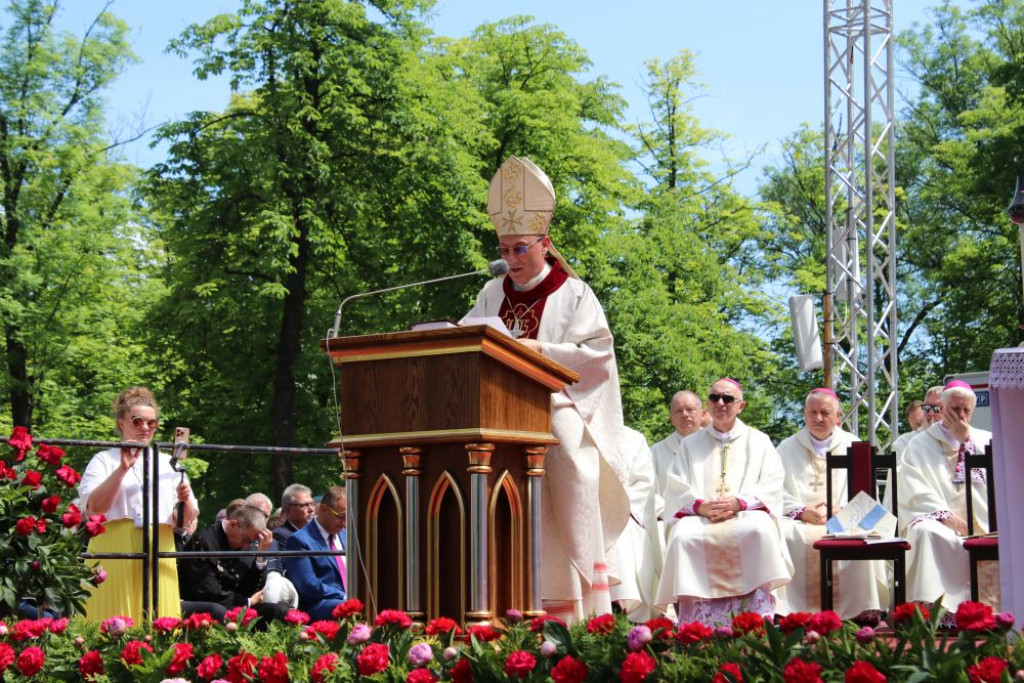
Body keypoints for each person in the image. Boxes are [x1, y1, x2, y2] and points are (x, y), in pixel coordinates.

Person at [462, 155, 630, 623]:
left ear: (545, 243)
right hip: (492, 410)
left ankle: (568, 600)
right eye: (505, 249)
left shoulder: (574, 294)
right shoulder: (491, 294)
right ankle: (486, 596)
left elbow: (597, 358)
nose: (512, 259)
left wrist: (535, 349)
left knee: (565, 448)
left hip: (555, 404)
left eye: (520, 248)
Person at [656, 378, 791, 625]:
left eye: (728, 399)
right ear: (708, 404)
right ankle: (697, 621)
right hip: (701, 515)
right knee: (682, 537)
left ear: (741, 406)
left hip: (746, 512)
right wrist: (699, 505)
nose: (721, 403)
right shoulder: (690, 444)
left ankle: (754, 617)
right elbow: (675, 486)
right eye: (714, 397)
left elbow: (773, 482)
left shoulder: (759, 440)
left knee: (760, 531)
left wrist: (740, 503)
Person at [78, 387, 199, 622]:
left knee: (158, 616)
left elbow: (183, 522)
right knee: (113, 615)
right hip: (115, 543)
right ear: (122, 423)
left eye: (151, 423)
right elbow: (94, 509)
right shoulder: (103, 459)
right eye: (138, 421)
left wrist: (183, 502)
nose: (145, 427)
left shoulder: (169, 464)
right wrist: (122, 470)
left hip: (160, 545)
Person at [776, 388, 888, 618]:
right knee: (781, 533)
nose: (817, 418)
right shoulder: (786, 448)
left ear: (838, 417)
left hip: (845, 518)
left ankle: (859, 610)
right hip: (801, 521)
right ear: (805, 415)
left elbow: (868, 497)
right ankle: (792, 612)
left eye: (824, 413)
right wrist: (801, 511)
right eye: (812, 412)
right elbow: (776, 491)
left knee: (868, 531)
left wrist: (843, 510)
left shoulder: (854, 444)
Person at [898, 380, 999, 612]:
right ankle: (939, 611)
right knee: (925, 532)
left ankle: (992, 609)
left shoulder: (986, 439)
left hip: (985, 521)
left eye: (966, 410)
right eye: (955, 409)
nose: (961, 415)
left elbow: (996, 480)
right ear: (942, 409)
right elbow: (914, 488)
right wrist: (944, 516)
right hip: (940, 523)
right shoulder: (919, 444)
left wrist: (967, 442)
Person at [179, 505, 288, 625]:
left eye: (253, 542)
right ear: (233, 524)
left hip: (237, 604)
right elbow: (206, 591)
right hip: (212, 604)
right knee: (218, 611)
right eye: (246, 539)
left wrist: (261, 554)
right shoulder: (202, 541)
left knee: (276, 611)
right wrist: (247, 601)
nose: (247, 546)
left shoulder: (250, 546)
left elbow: (254, 588)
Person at [609, 426, 665, 622]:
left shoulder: (633, 438)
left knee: (619, 534)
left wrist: (616, 505)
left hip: (625, 511)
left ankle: (622, 605)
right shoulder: (575, 427)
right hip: (582, 512)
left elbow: (644, 482)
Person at [284, 486, 349, 620]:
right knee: (350, 608)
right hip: (319, 604)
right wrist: (344, 596)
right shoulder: (299, 540)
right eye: (341, 516)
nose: (344, 523)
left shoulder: (346, 537)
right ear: (323, 509)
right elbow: (308, 585)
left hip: (347, 598)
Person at [244, 492, 298, 608]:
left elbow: (277, 569)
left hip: (273, 591)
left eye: (266, 516)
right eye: (258, 514)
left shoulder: (272, 541)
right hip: (251, 592)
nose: (261, 520)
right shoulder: (241, 540)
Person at [650, 391, 706, 498]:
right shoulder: (655, 453)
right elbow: (651, 493)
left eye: (690, 410)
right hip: (671, 513)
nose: (685, 415)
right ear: (671, 418)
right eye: (679, 411)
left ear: (702, 414)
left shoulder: (716, 446)